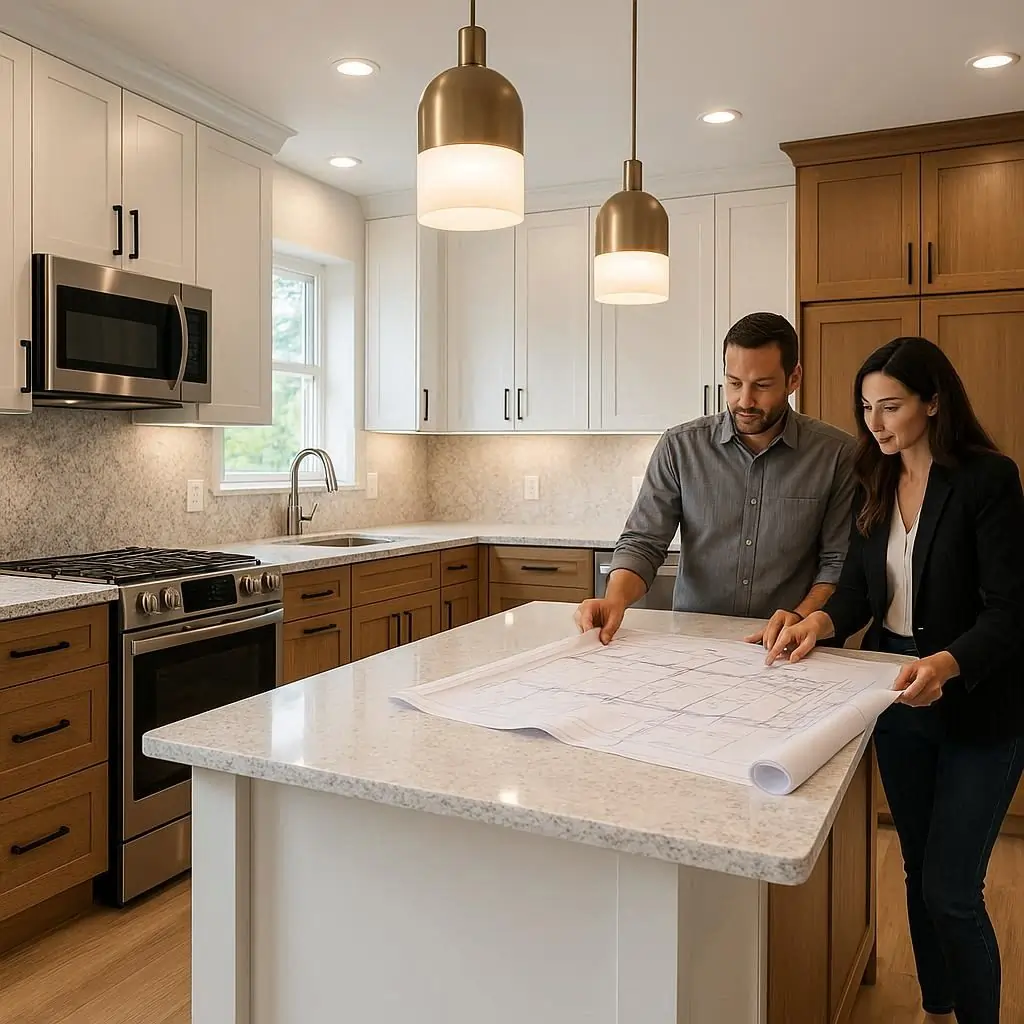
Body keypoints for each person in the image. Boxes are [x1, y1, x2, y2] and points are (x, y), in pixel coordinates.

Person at [765, 337, 1024, 1024]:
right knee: (915, 867)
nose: (876, 423)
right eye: (866, 408)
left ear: (933, 403)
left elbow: (1010, 612)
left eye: (892, 406)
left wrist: (945, 663)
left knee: (953, 890)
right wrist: (818, 625)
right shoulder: (869, 479)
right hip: (897, 700)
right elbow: (855, 590)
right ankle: (935, 1008)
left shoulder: (987, 481)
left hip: (977, 706)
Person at [575, 311, 856, 645]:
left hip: (789, 645)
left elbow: (837, 562)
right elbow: (644, 542)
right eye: (734, 383)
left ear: (794, 379)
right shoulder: (680, 447)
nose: (744, 401)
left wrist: (799, 617)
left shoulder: (837, 454)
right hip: (696, 644)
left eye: (762, 386)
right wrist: (615, 600)